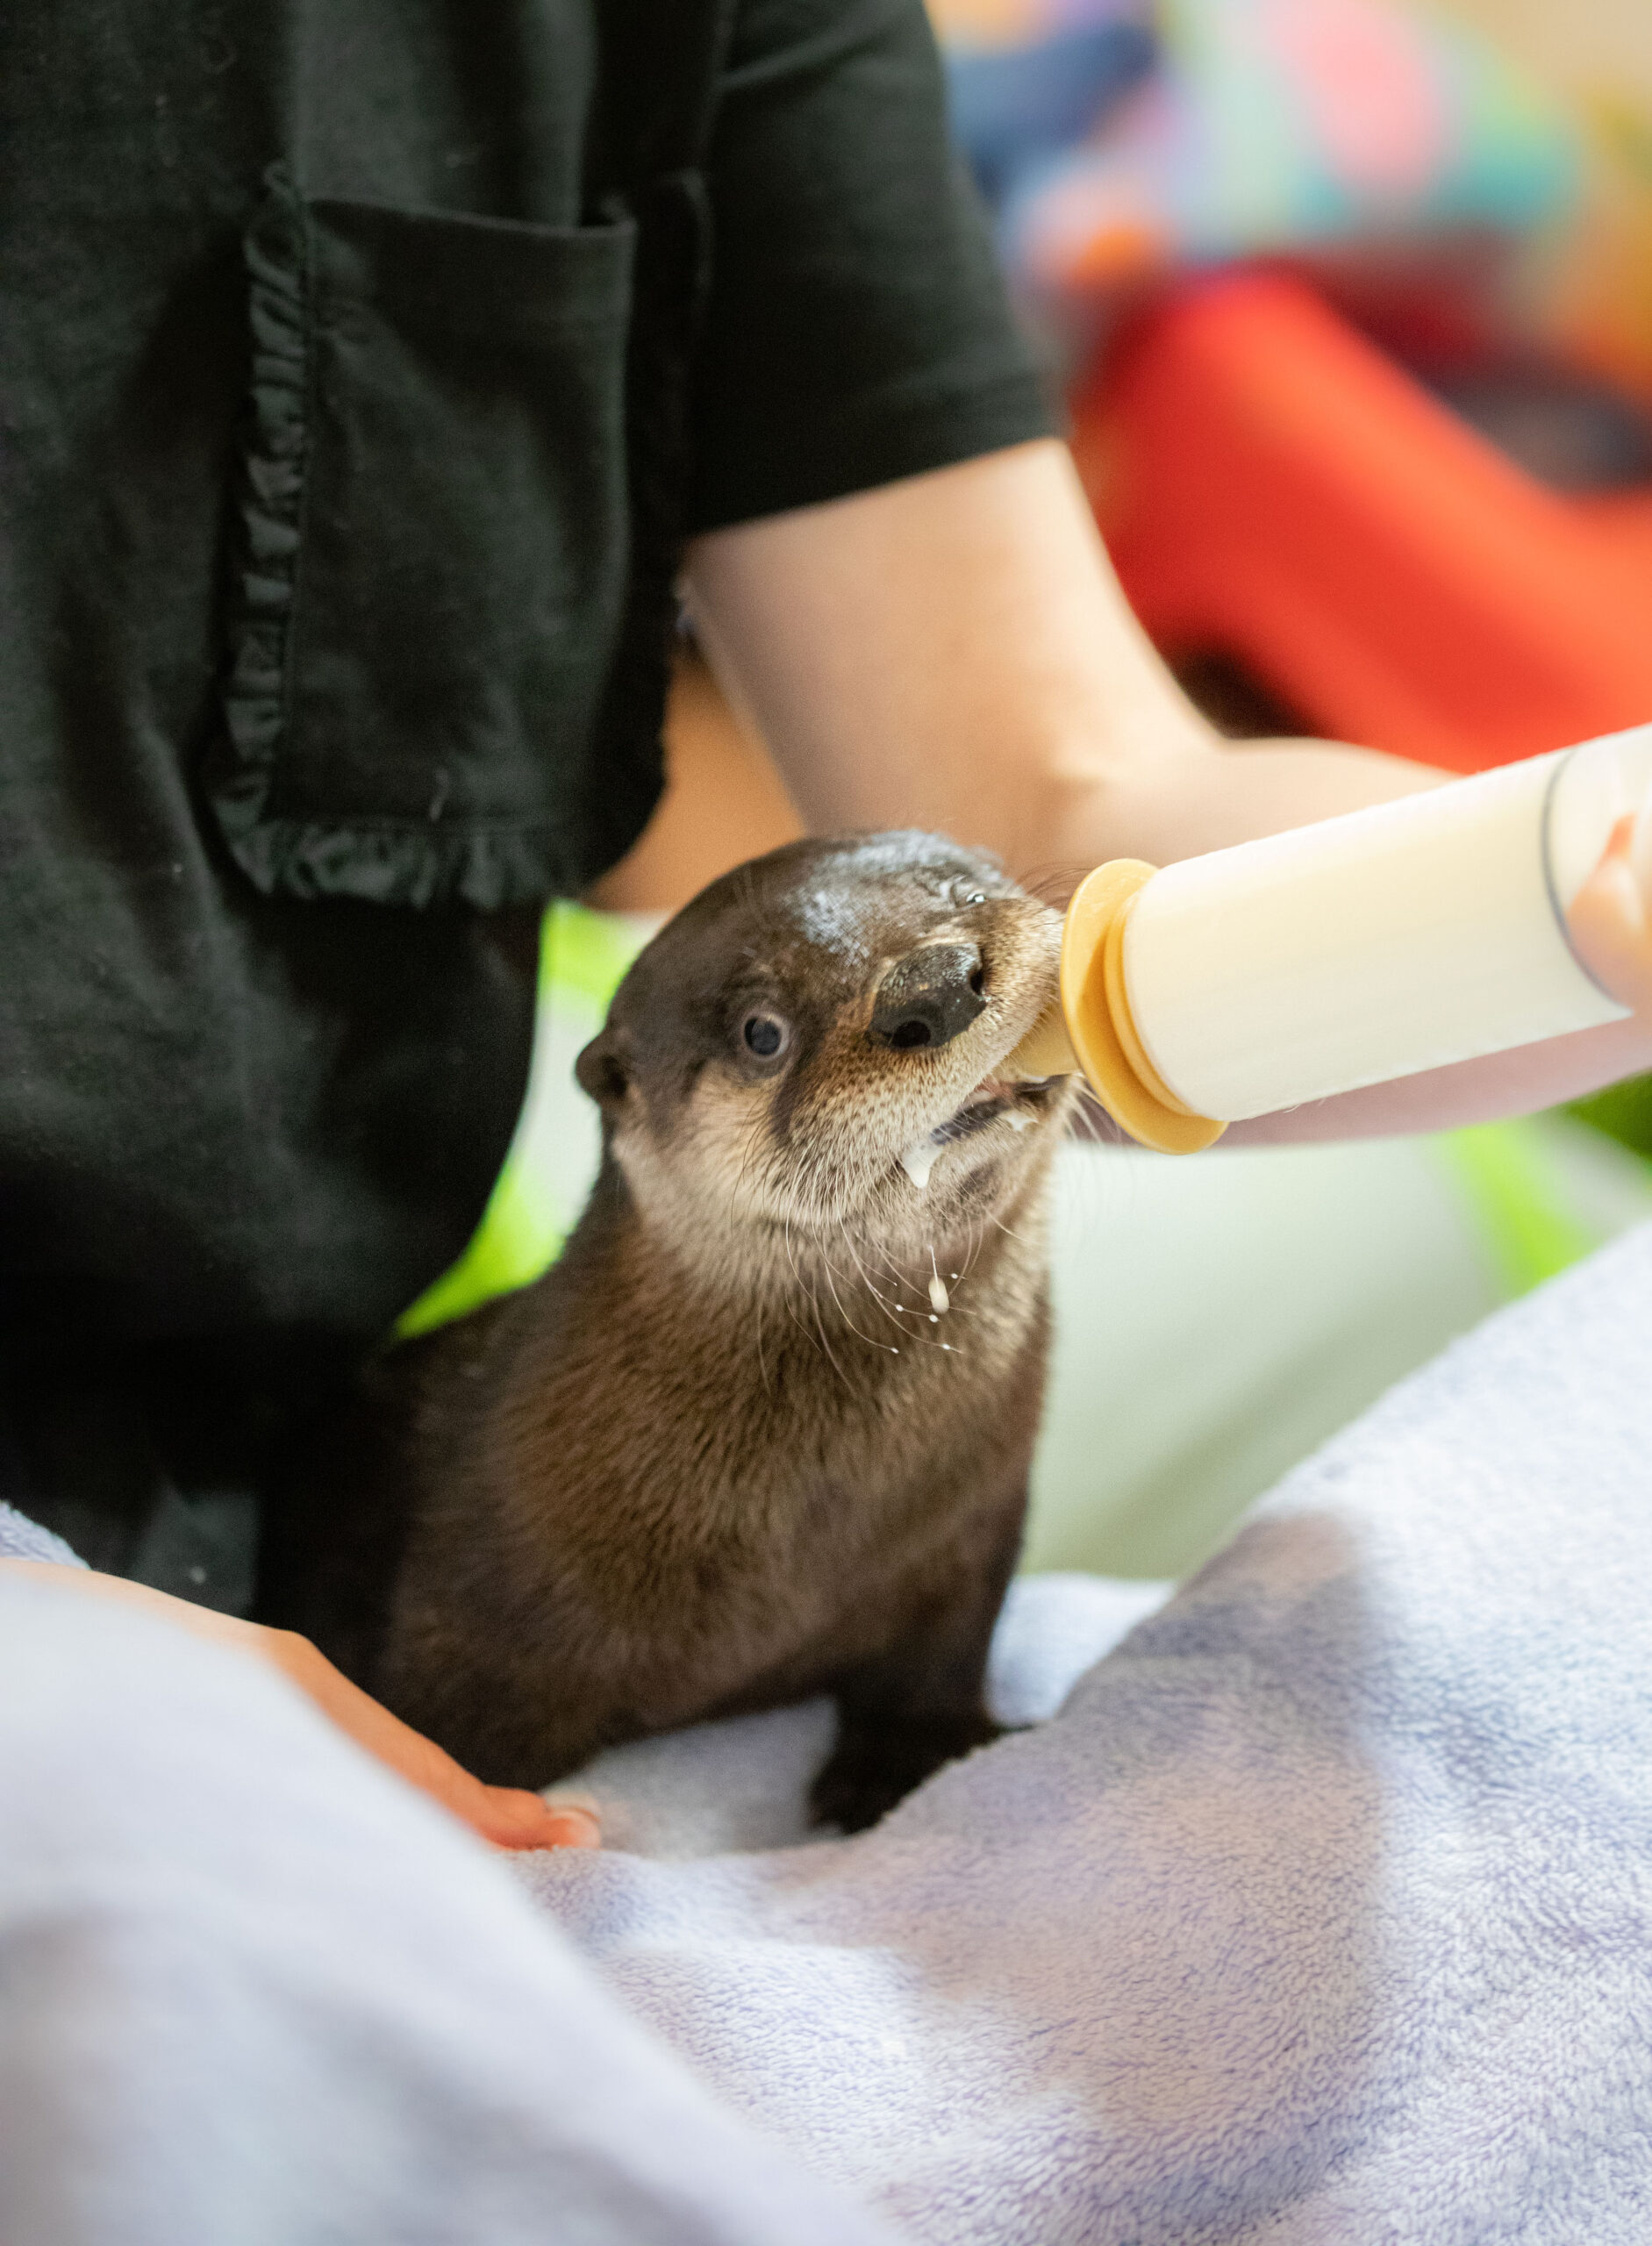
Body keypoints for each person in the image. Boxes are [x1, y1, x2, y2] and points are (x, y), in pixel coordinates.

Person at [4, 1, 1651, 1838]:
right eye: (789, 1041)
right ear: (638, 1108)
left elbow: (1076, 808)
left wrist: (1583, 895)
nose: (950, 1008)